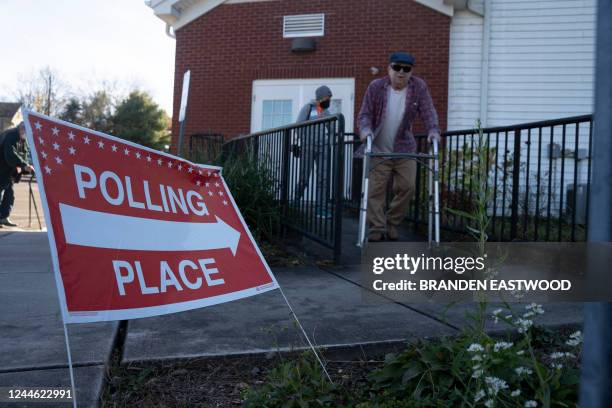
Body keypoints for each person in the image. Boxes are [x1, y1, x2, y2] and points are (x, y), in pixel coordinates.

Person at [356, 52, 441, 241]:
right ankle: (377, 228)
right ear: (389, 68)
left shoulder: (418, 87)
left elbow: (428, 111)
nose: (401, 72)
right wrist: (365, 130)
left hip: (404, 148)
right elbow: (365, 114)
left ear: (411, 72)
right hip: (378, 148)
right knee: (375, 191)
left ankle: (392, 222)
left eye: (406, 69)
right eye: (397, 68)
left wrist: (433, 130)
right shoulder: (376, 87)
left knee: (408, 187)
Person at [294, 85, 333, 218]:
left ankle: (321, 209)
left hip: (323, 148)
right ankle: (295, 202)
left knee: (323, 178)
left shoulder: (326, 112)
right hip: (308, 147)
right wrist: (301, 140)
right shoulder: (308, 108)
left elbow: (332, 128)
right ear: (321, 97)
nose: (329, 100)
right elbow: (298, 124)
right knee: (304, 177)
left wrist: (332, 141)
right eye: (328, 97)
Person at [0, 122, 35, 228]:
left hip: (9, 173)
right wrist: (23, 165)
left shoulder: (23, 139)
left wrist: (26, 167)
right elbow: (10, 155)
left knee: (9, 195)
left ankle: (3, 217)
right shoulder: (10, 135)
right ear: (21, 128)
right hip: (2, 170)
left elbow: (25, 153)